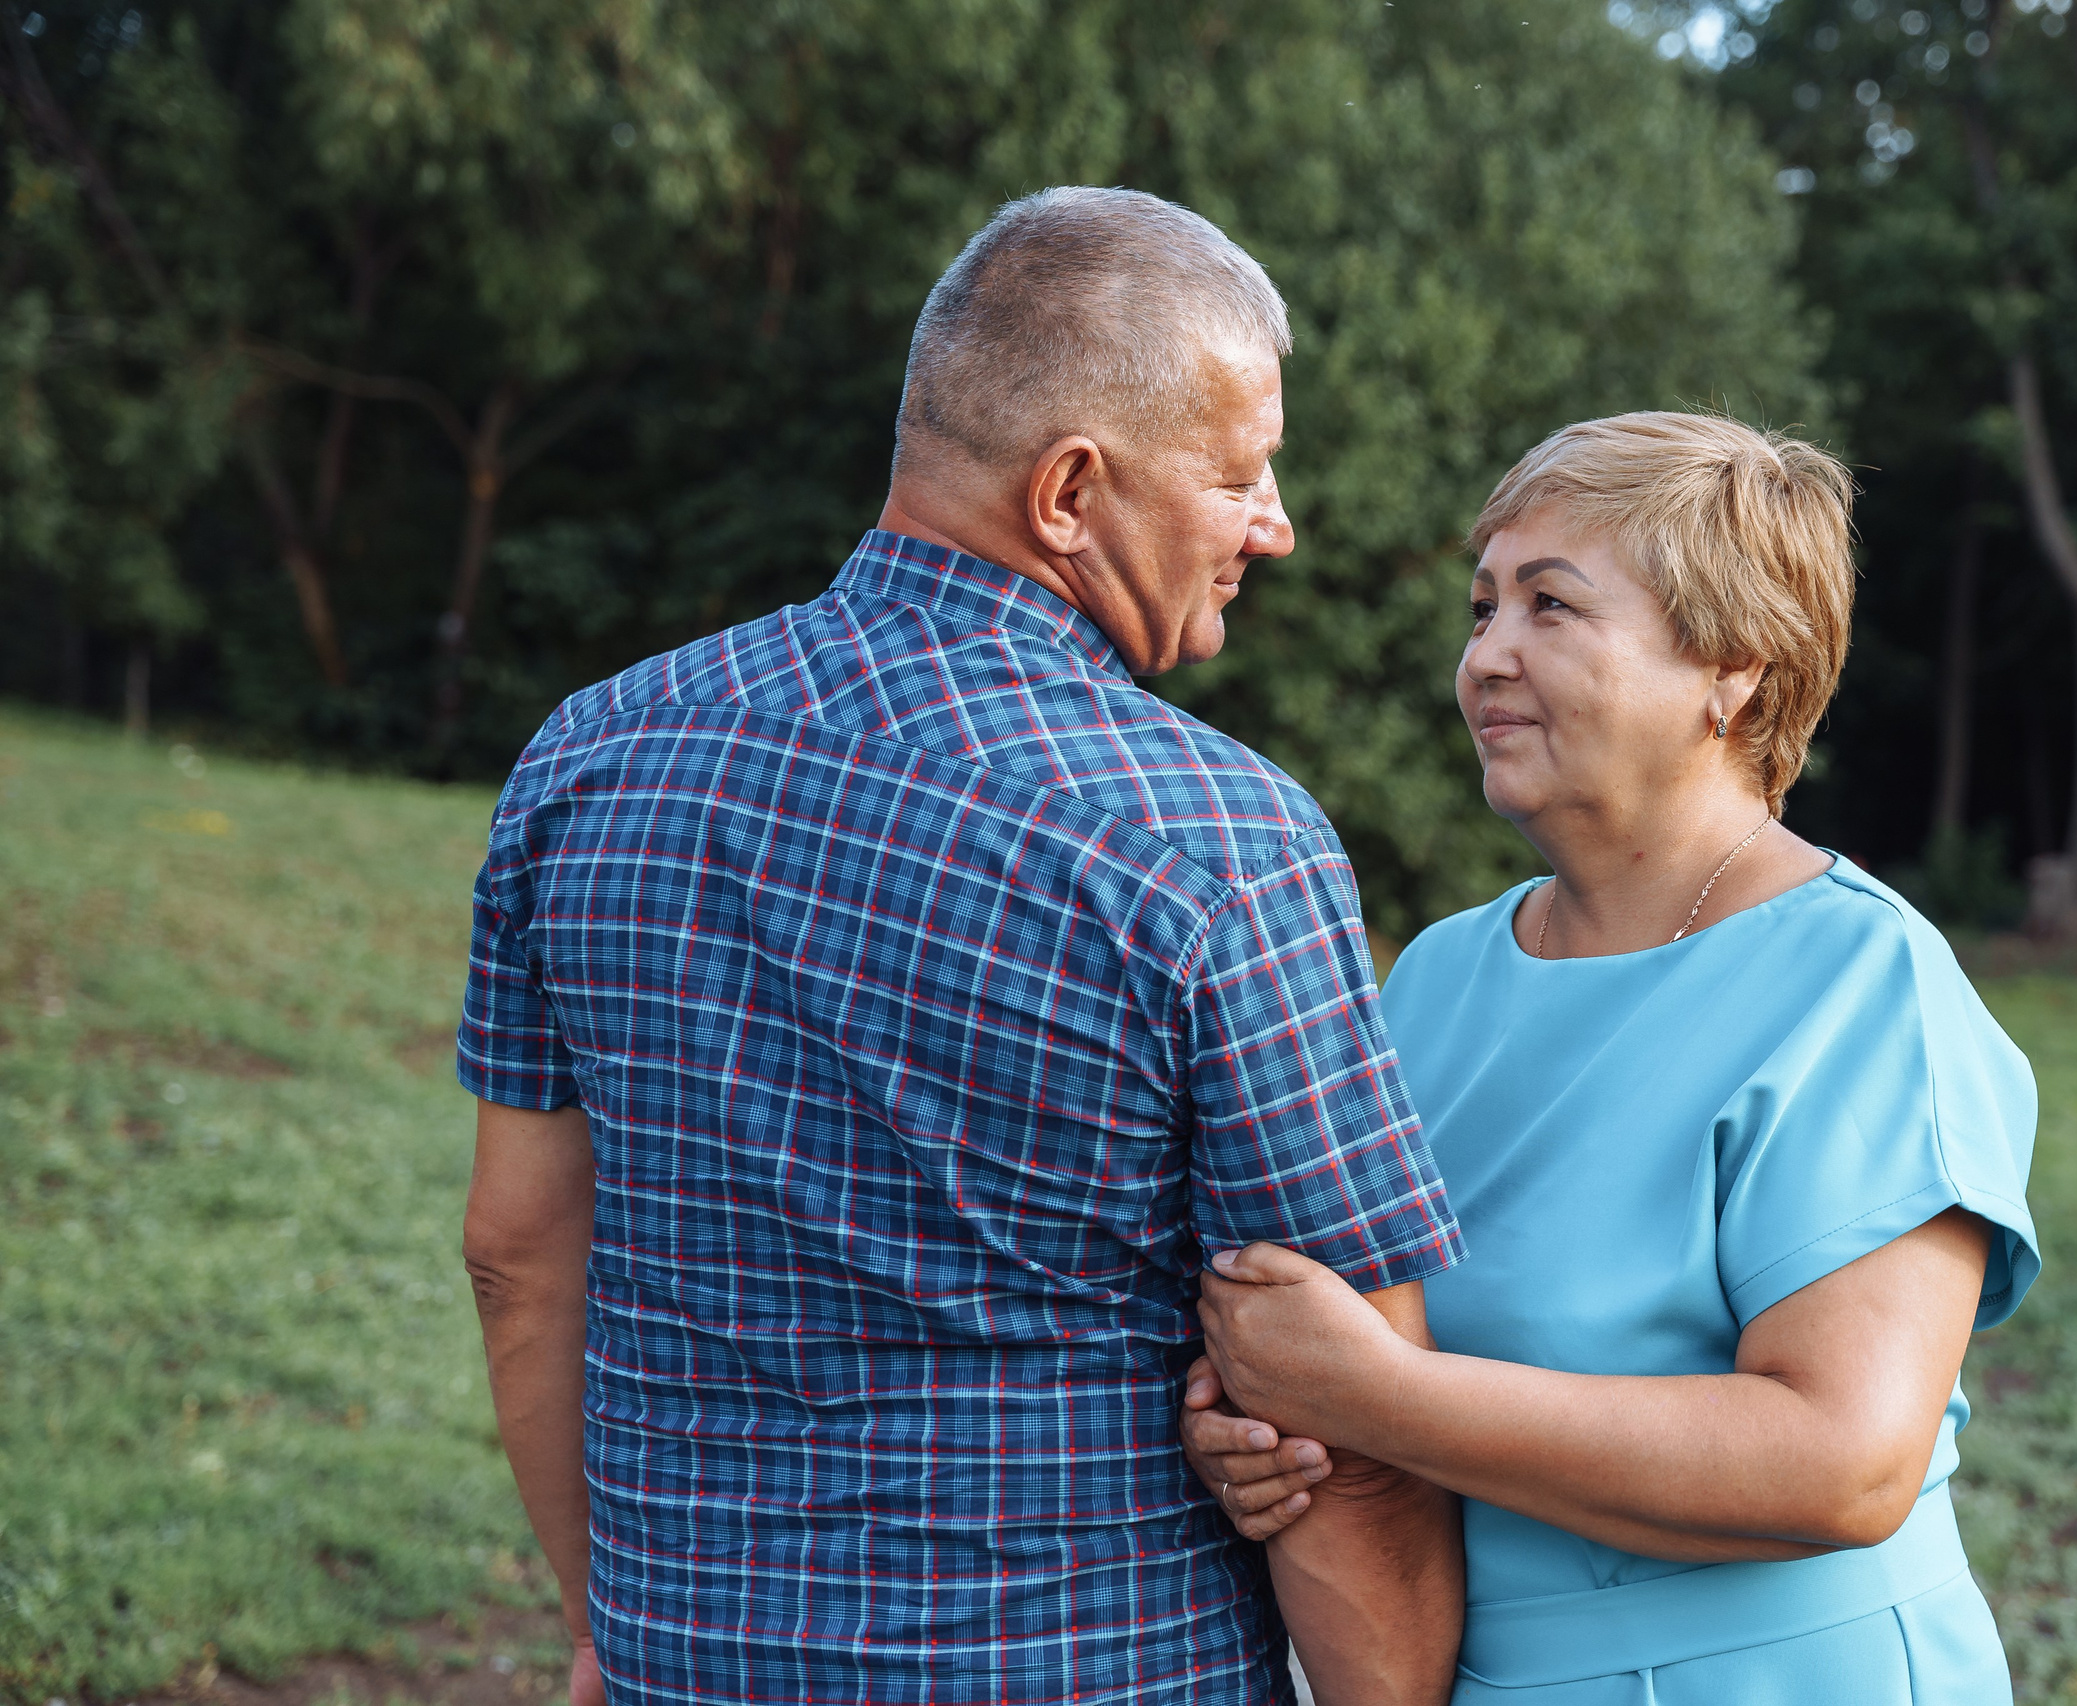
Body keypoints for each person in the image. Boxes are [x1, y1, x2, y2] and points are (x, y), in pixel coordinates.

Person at [458, 187, 1469, 1706]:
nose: (1278, 525)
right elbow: (1348, 1426)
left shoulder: (588, 755)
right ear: (1070, 492)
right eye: (1240, 479)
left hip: (690, 1665)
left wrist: (609, 1623)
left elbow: (518, 1253)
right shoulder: (1221, 844)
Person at [1183, 412, 2040, 1703]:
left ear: (1733, 670)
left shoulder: (1862, 985)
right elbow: (1344, 1361)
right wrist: (1266, 1435)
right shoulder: (1433, 980)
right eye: (1482, 610)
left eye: (1551, 606)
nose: (1486, 658)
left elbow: (1842, 1456)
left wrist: (1378, 1397)